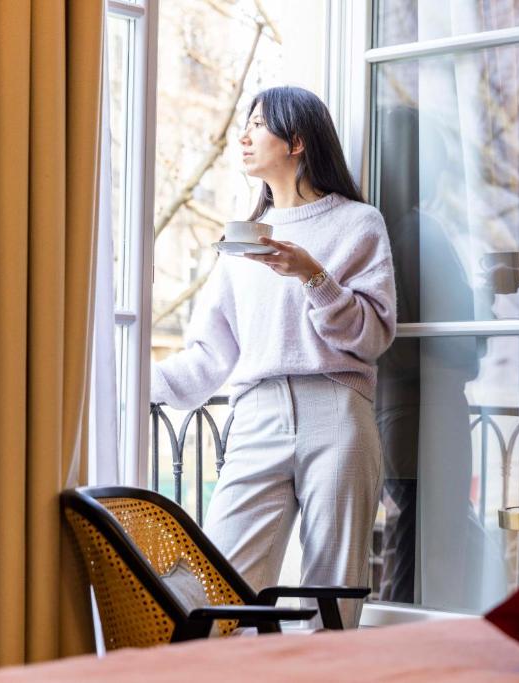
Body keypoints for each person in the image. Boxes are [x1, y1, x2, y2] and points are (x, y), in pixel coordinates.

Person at [151, 85, 396, 629]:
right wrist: (128, 382)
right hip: (256, 414)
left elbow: (373, 336)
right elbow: (210, 356)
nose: (243, 135)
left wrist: (313, 276)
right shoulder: (240, 240)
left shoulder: (359, 223)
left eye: (258, 124)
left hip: (337, 411)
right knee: (216, 583)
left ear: (298, 141)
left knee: (332, 592)